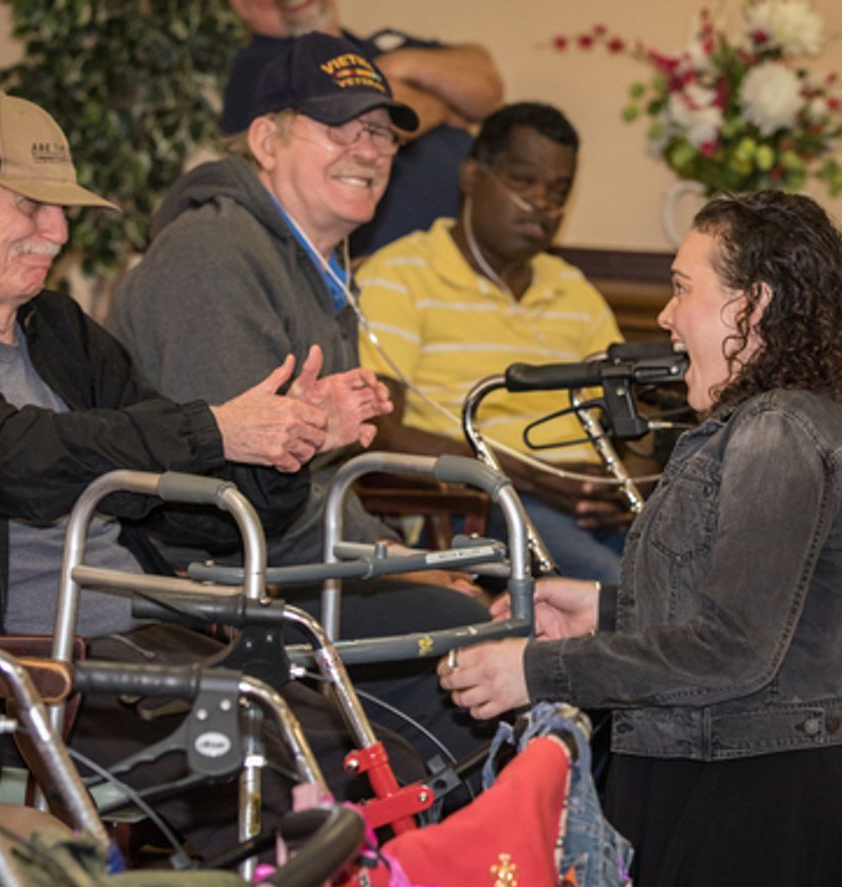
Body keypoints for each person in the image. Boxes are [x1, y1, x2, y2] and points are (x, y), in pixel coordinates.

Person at [0, 93, 395, 856]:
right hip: (11, 675)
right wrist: (214, 427)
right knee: (308, 797)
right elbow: (12, 459)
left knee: (380, 765)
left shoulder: (56, 329)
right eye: (31, 206)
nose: (57, 233)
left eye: (60, 210)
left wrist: (289, 445)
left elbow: (184, 511)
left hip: (143, 643)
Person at [438, 191, 842, 887]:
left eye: (683, 288)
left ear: (751, 305)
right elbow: (766, 614)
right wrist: (601, 606)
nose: (665, 315)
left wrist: (533, 670)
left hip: (752, 814)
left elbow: (732, 651)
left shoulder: (776, 434)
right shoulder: (810, 413)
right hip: (765, 789)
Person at [110, 32, 492, 763]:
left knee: (505, 625)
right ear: (266, 140)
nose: (369, 149)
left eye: (380, 131)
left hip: (299, 566)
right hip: (219, 589)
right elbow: (231, 501)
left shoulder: (314, 264)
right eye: (337, 127)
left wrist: (392, 552)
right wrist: (391, 566)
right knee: (479, 654)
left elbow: (323, 481)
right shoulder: (211, 258)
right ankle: (415, 867)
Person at [355, 102, 632, 584]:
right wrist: (520, 475)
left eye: (558, 191)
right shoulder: (400, 277)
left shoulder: (576, 293)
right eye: (523, 182)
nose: (541, 204)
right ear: (470, 176)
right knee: (617, 590)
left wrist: (618, 487)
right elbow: (377, 430)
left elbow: (630, 420)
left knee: (699, 580)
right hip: (475, 508)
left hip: (587, 509)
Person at [224, 0, 503, 256]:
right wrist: (445, 106)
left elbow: (486, 87)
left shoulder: (381, 45)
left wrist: (397, 63)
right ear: (241, 5)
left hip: (477, 255)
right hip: (387, 265)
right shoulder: (264, 67)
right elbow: (379, 117)